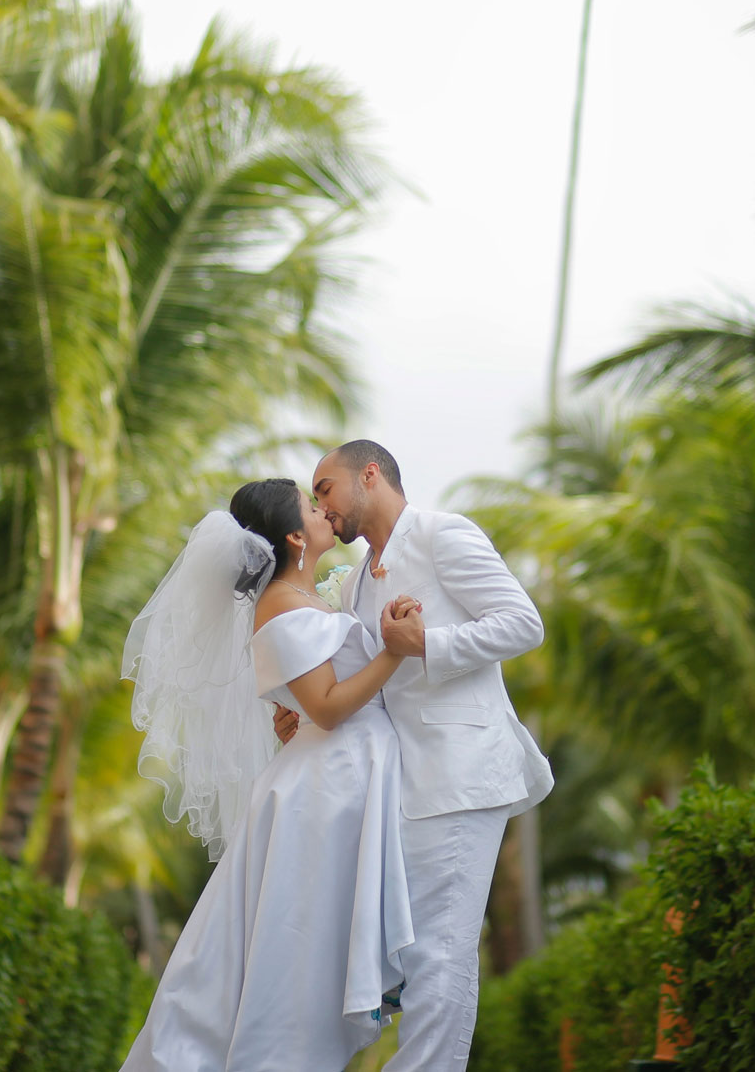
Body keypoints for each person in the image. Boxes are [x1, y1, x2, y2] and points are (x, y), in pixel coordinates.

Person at [117, 478, 423, 1072]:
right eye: (312, 506)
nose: (324, 510)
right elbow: (330, 707)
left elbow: (312, 699)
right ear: (292, 534)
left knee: (301, 953)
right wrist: (392, 649)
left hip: (335, 781)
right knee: (295, 958)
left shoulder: (306, 599)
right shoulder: (281, 601)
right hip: (321, 794)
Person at [288, 439, 555, 1072]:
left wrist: (427, 642)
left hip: (463, 774)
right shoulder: (352, 581)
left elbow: (523, 622)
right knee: (407, 959)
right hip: (398, 789)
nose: (321, 509)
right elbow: (367, 680)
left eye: (325, 489)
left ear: (370, 476)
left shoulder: (444, 535)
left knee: (441, 955)